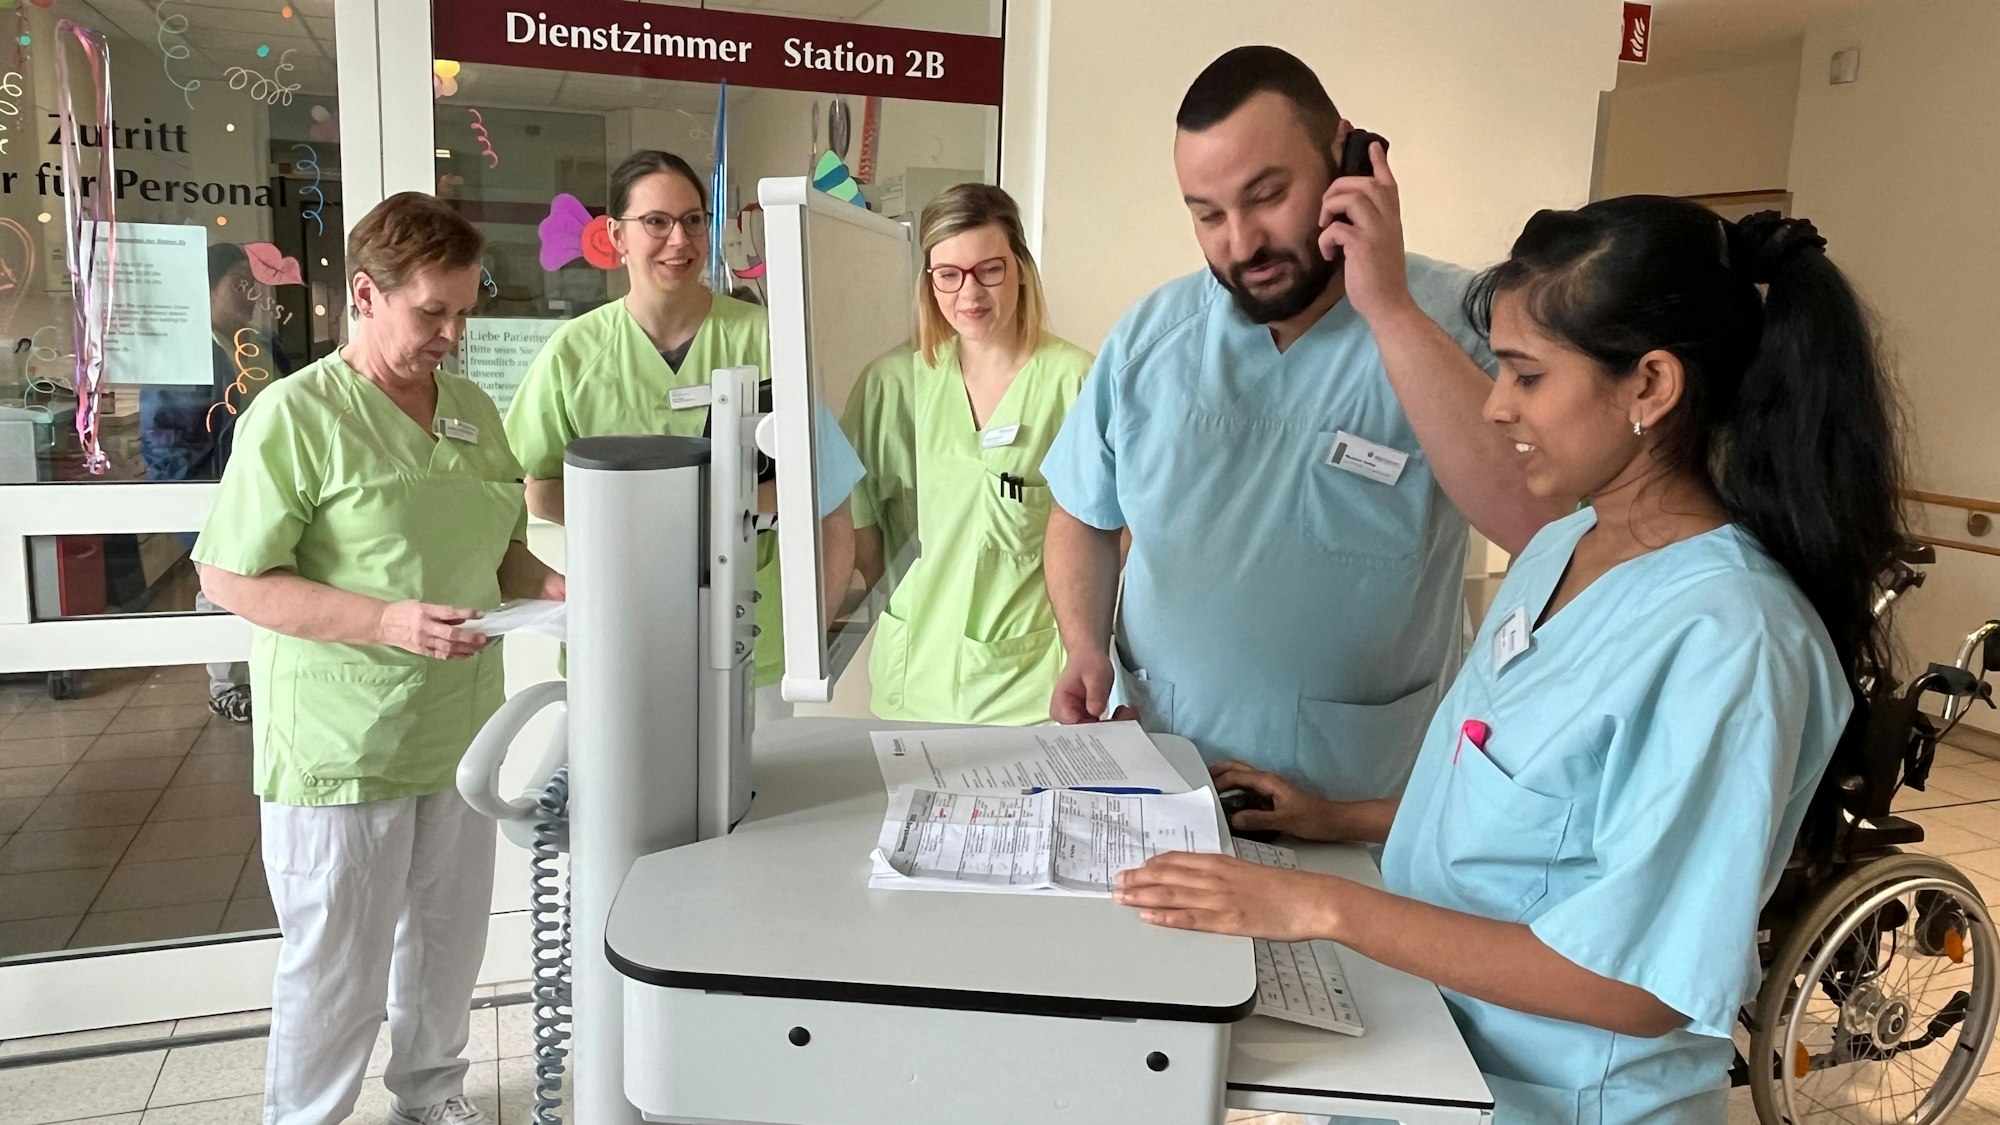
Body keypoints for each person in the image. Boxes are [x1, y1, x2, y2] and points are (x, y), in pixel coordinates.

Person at [1115, 200, 1904, 1123]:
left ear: (1650, 385)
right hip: (1431, 1053)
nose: (1496, 404)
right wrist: (1336, 815)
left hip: (1559, 1100)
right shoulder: (1562, 547)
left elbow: (1638, 984)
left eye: (1526, 375)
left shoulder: (1733, 639)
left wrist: (1320, 907)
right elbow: (1520, 806)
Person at [1040, 46, 1570, 799]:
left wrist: (1386, 308)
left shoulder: (1464, 324)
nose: (1241, 241)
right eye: (1208, 214)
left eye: (1266, 195)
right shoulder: (1149, 344)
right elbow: (1082, 511)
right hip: (1163, 779)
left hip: (1359, 794)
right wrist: (1084, 642)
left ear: (1344, 155)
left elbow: (1538, 520)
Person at [194, 192, 563, 1125]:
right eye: (431, 311)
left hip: (460, 734)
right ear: (366, 292)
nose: (452, 332)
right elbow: (232, 576)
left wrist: (555, 589)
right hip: (342, 743)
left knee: (446, 946)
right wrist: (387, 622)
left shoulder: (473, 408)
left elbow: (500, 547)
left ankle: (431, 1097)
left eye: (465, 312)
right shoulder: (298, 415)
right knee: (337, 968)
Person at [507, 150, 861, 718]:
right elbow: (533, 486)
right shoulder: (572, 354)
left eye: (693, 220)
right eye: (656, 222)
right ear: (616, 236)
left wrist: (811, 634)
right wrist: (650, 507)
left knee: (760, 799)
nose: (679, 240)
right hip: (622, 630)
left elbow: (828, 492)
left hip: (750, 633)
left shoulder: (767, 341)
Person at [843, 184, 1092, 724]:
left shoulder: (1075, 383)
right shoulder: (893, 383)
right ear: (929, 282)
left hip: (1027, 687)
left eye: (990, 270)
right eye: (948, 275)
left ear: (1021, 267)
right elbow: (859, 525)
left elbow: (1106, 536)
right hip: (912, 679)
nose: (969, 294)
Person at [141, 243, 296, 722]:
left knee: (272, 580)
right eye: (238, 284)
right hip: (218, 490)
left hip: (277, 485)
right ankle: (225, 685)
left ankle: (269, 676)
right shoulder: (184, 354)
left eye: (253, 285)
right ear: (206, 291)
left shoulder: (263, 346)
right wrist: (199, 509)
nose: (250, 295)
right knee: (222, 584)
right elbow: (166, 441)